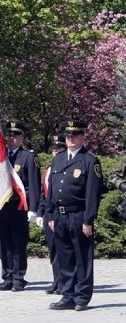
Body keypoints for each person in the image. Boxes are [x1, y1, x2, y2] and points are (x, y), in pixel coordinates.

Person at [46, 120, 103, 312]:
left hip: (79, 215)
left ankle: (82, 296)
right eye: (68, 135)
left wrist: (89, 219)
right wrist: (51, 215)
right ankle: (67, 295)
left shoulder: (89, 161)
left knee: (82, 257)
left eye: (75, 135)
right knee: (65, 257)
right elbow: (52, 191)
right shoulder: (58, 159)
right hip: (60, 216)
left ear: (83, 137)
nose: (70, 138)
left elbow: (92, 194)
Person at [0, 121, 40, 292]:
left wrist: (33, 209)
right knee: (4, 243)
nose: (12, 138)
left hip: (19, 206)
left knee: (18, 243)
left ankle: (19, 278)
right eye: (10, 135)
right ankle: (7, 277)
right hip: (2, 206)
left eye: (16, 135)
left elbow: (34, 185)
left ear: (22, 138)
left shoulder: (28, 157)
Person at [38, 134, 66, 295]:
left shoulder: (65, 168)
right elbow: (44, 194)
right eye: (54, 149)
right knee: (54, 250)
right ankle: (57, 280)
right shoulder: (48, 171)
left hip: (63, 213)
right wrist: (41, 213)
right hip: (50, 215)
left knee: (65, 249)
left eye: (59, 149)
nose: (55, 152)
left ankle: (67, 282)